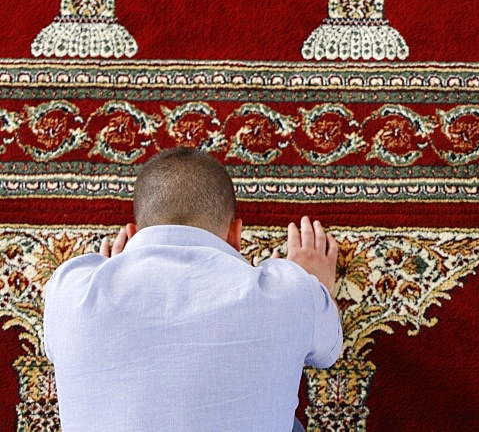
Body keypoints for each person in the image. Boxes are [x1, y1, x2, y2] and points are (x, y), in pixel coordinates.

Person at [43, 147, 343, 431]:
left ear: (132, 234)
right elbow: (328, 352)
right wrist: (311, 285)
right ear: (235, 233)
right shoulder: (291, 293)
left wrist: (110, 275)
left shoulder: (70, 292)